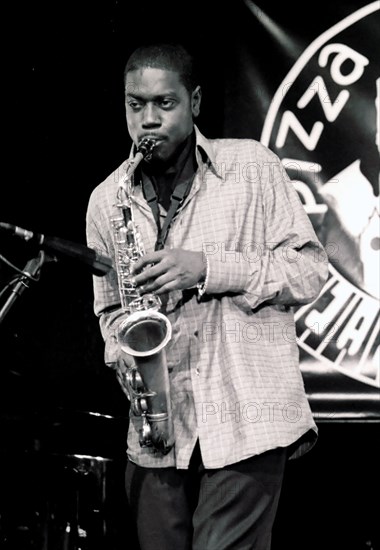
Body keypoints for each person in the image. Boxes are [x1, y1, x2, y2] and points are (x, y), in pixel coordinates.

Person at [86, 42, 329, 550]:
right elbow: (110, 309)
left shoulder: (253, 167)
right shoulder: (107, 200)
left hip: (247, 420)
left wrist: (208, 268)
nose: (148, 120)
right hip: (157, 433)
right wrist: (123, 354)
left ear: (194, 102)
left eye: (164, 104)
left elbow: (308, 272)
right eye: (135, 105)